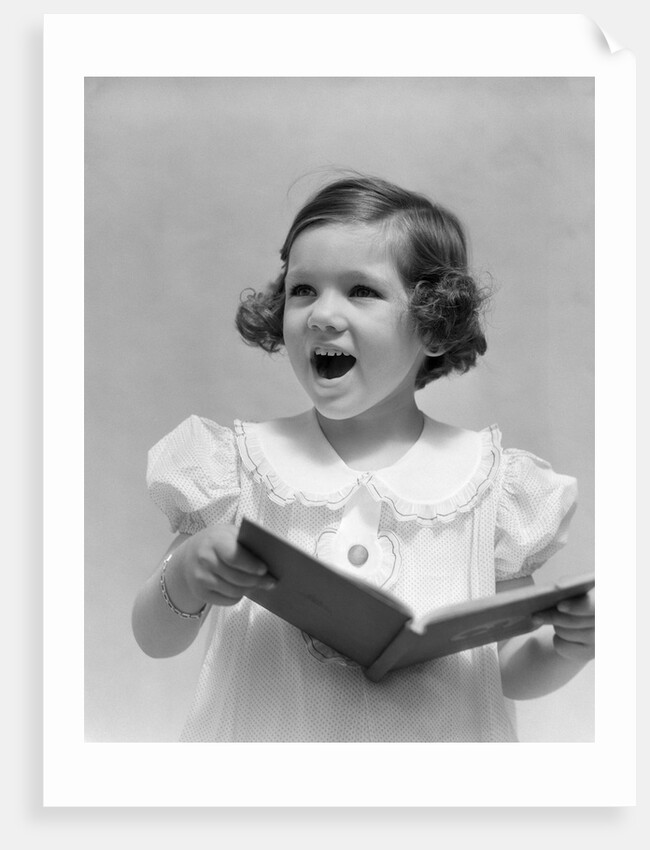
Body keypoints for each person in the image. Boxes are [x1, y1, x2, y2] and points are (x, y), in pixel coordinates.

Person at [132, 175, 595, 742]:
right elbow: (154, 639)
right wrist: (185, 575)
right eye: (303, 289)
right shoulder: (237, 467)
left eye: (361, 291)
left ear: (433, 323)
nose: (322, 314)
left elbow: (503, 669)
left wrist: (566, 647)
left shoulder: (491, 485)